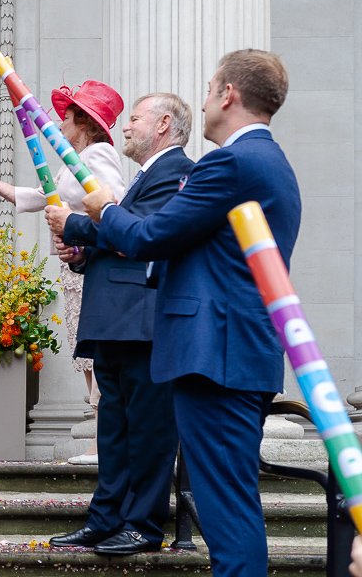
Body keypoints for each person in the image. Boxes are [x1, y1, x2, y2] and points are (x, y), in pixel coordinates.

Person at [79, 49, 301, 576]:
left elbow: (153, 235)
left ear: (228, 95)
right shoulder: (270, 162)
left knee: (225, 506)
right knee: (230, 501)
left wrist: (102, 210)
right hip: (235, 351)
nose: (203, 103)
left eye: (208, 90)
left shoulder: (231, 162)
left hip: (215, 355)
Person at [44, 93, 194, 555]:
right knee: (112, 431)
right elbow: (121, 236)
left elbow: (144, 231)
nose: (125, 127)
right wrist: (84, 255)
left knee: (149, 431)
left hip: (144, 322)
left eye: (134, 119)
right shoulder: (145, 177)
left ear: (164, 124)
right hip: (113, 321)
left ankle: (144, 525)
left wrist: (75, 225)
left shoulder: (177, 173)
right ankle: (105, 518)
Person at [0, 79, 126, 465]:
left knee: (96, 355)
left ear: (83, 121)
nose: (59, 121)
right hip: (74, 268)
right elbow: (38, 197)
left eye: (66, 115)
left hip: (92, 265)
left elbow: (113, 203)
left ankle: (102, 445)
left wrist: (79, 229)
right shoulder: (75, 159)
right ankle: (97, 441)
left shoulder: (98, 154)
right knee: (83, 354)